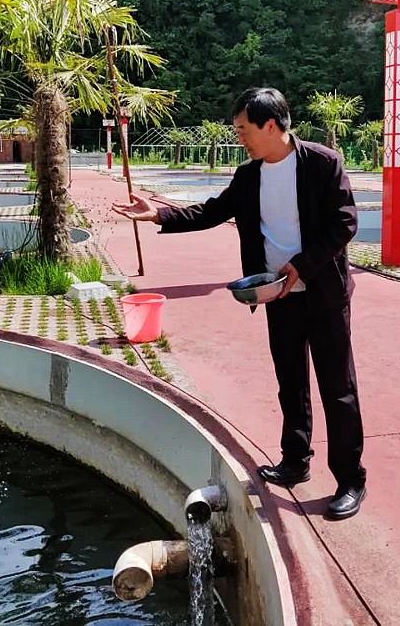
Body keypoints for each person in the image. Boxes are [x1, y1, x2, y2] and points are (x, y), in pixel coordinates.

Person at [112, 87, 367, 519]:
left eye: (243, 129)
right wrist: (158, 213)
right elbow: (212, 211)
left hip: (323, 293)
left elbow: (345, 223)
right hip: (276, 294)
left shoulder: (322, 163)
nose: (239, 138)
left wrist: (302, 266)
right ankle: (295, 460)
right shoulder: (249, 175)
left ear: (271, 125)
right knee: (290, 381)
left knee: (338, 389)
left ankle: (350, 479)